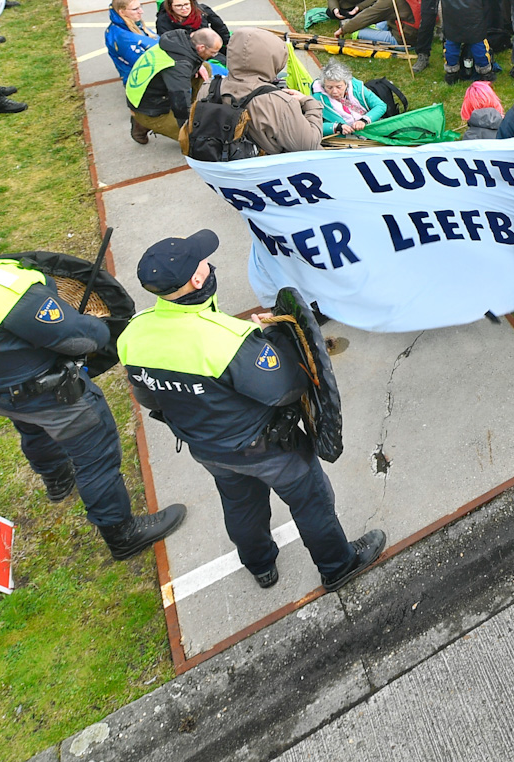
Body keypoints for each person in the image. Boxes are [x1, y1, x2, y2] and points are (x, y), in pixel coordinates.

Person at [0, 195, 186, 561]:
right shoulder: (10, 291)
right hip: (52, 397)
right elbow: (85, 338)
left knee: (30, 429)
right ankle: (121, 532)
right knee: (95, 458)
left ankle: (56, 479)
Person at [121, 230, 383, 591]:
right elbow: (287, 389)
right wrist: (272, 339)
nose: (209, 264)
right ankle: (339, 566)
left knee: (241, 505)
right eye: (203, 262)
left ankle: (260, 565)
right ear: (198, 278)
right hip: (269, 449)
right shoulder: (227, 339)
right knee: (311, 501)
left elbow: (149, 398)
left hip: (207, 449)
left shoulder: (133, 335)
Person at [125, 27, 222, 145]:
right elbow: (180, 101)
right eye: (213, 52)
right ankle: (142, 122)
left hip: (150, 93)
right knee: (203, 139)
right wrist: (190, 128)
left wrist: (198, 64)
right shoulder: (179, 65)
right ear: (201, 47)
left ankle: (197, 109)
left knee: (205, 67)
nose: (215, 55)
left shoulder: (177, 42)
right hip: (149, 108)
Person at [312, 62, 385, 138]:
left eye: (339, 87)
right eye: (329, 87)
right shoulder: (317, 99)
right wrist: (336, 127)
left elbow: (380, 105)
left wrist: (364, 120)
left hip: (368, 130)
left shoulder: (358, 89)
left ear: (346, 84)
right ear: (323, 86)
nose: (334, 91)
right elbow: (311, 125)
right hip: (342, 139)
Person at [155, 0, 230, 54]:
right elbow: (169, 45)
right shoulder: (163, 21)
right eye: (178, 6)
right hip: (187, 54)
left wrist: (227, 42)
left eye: (186, 4)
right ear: (170, 7)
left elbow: (219, 27)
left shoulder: (202, 10)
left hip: (207, 46)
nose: (184, 8)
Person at [105, 0, 157, 82]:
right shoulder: (125, 39)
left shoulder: (128, 24)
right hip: (142, 81)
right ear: (122, 12)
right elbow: (145, 65)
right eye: (135, 9)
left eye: (140, 7)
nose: (141, 11)